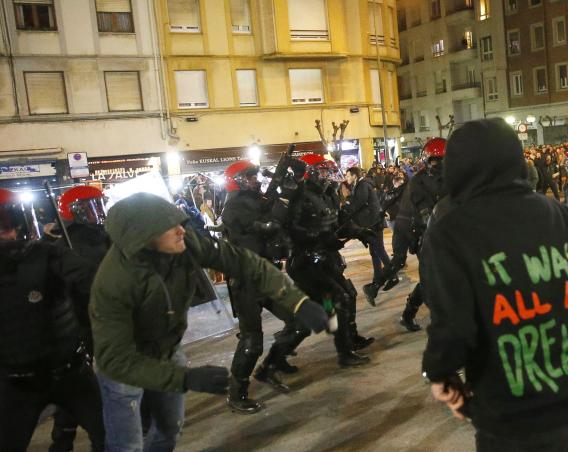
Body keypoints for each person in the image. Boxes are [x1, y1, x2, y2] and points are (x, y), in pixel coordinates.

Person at [420, 118, 568, 452]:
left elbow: (454, 329)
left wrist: (438, 374)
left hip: (513, 412)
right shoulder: (563, 216)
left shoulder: (450, 232)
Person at [90, 192, 331, 451]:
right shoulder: (113, 282)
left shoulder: (186, 244)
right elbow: (115, 359)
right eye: (170, 226)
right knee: (126, 445)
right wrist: (185, 378)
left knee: (170, 430)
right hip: (125, 370)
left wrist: (297, 302)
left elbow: (243, 262)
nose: (181, 229)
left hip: (167, 353)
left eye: (180, 222)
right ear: (143, 236)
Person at [0, 188, 106, 452]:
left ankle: (62, 440)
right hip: (16, 381)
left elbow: (94, 282)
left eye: (10, 222)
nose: (7, 232)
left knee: (111, 434)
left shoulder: (48, 254)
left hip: (69, 369)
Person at [220, 160, 318, 413]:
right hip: (247, 281)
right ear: (237, 179)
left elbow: (280, 219)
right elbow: (268, 226)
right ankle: (236, 392)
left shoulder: (255, 199)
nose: (255, 179)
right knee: (252, 341)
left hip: (267, 275)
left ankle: (269, 367)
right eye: (249, 175)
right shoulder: (233, 207)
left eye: (254, 174)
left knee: (300, 323)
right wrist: (279, 201)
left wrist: (287, 191)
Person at [286, 155, 373, 368]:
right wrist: (320, 239)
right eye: (323, 171)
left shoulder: (329, 195)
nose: (327, 176)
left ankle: (346, 338)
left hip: (326, 258)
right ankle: (276, 358)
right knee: (332, 303)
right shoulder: (300, 196)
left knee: (343, 299)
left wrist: (360, 232)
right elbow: (293, 231)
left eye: (327, 171)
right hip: (308, 262)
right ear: (312, 172)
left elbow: (341, 219)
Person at [49, 185, 112, 451]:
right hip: (80, 322)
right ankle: (63, 439)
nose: (96, 212)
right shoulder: (62, 246)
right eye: (90, 207)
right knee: (77, 388)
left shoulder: (107, 237)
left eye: (98, 205)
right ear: (74, 212)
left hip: (109, 318)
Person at [363, 139, 448, 330]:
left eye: (441, 160)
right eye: (435, 160)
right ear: (427, 159)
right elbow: (425, 209)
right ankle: (413, 314)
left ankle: (378, 289)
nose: (438, 164)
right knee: (429, 274)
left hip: (419, 227)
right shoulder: (419, 179)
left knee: (413, 268)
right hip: (413, 228)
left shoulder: (447, 178)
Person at [344, 166, 390, 304]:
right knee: (375, 251)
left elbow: (359, 203)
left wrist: (347, 199)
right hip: (372, 221)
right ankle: (379, 276)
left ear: (354, 175)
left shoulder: (362, 185)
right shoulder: (361, 184)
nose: (346, 178)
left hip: (374, 222)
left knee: (378, 249)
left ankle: (391, 272)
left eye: (347, 175)